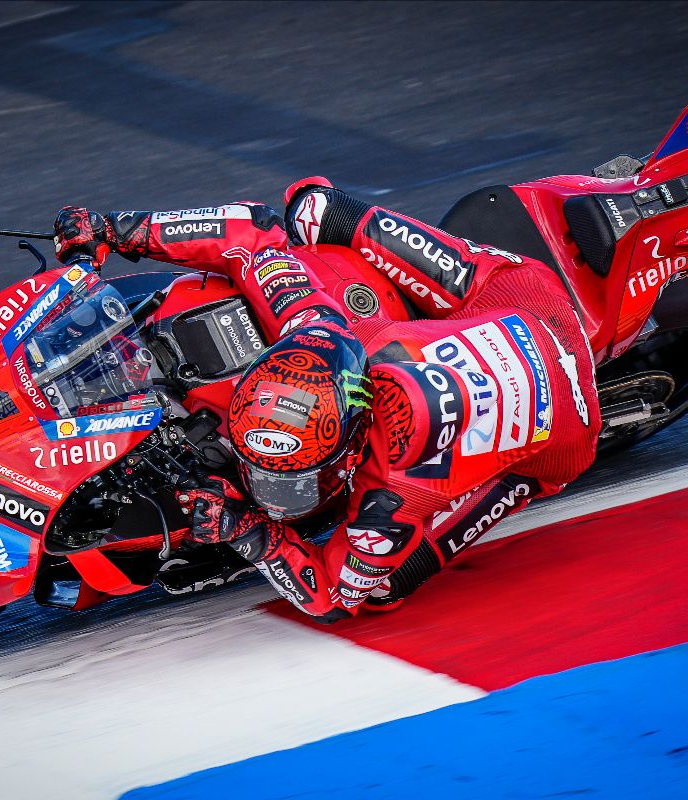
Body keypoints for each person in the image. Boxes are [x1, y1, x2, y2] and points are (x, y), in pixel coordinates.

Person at [52, 177, 600, 622]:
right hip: (506, 310)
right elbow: (251, 231)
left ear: (352, 443)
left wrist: (252, 535)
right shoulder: (317, 329)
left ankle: (531, 473)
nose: (271, 489)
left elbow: (332, 596)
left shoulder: (396, 492)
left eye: (289, 479)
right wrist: (116, 230)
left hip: (565, 424)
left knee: (380, 591)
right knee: (311, 208)